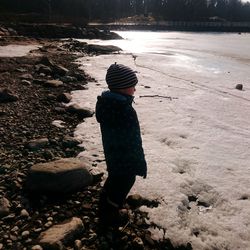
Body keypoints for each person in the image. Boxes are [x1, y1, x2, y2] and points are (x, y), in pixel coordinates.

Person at [95, 62, 147, 227]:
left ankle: (106, 200)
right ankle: (110, 213)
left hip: (112, 153)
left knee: (115, 178)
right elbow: (133, 140)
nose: (135, 89)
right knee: (125, 181)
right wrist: (139, 162)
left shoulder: (106, 104)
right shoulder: (125, 110)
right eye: (133, 86)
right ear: (124, 88)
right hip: (125, 157)